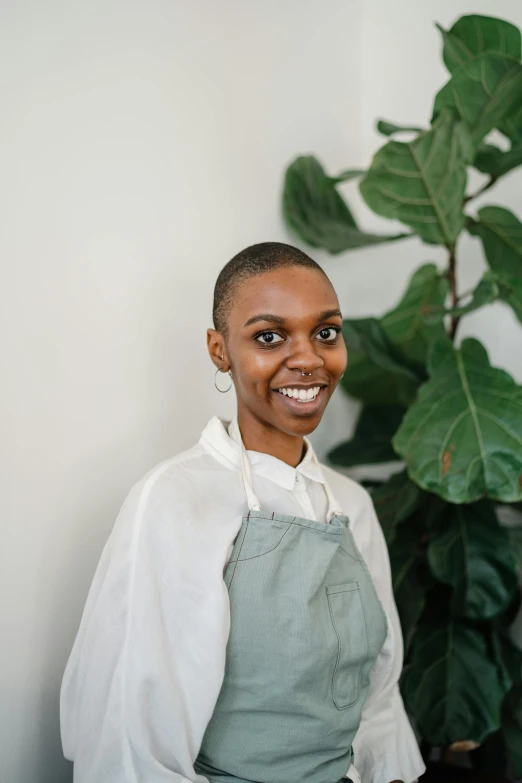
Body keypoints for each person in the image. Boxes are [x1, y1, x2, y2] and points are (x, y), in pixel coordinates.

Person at [60, 242, 426, 783]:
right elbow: (128, 743)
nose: (308, 359)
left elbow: (378, 699)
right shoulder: (173, 500)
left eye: (326, 332)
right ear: (219, 350)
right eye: (269, 336)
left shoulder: (352, 504)